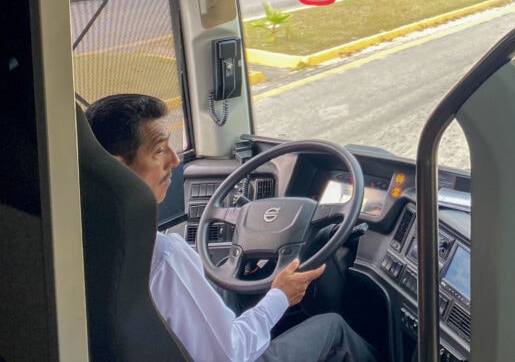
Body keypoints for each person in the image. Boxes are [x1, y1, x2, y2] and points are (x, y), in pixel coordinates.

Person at [85, 93, 378, 362]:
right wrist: (279, 296)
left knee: (236, 292)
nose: (175, 160)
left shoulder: (85, 239)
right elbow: (231, 354)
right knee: (332, 328)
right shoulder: (163, 257)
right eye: (160, 151)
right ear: (116, 170)